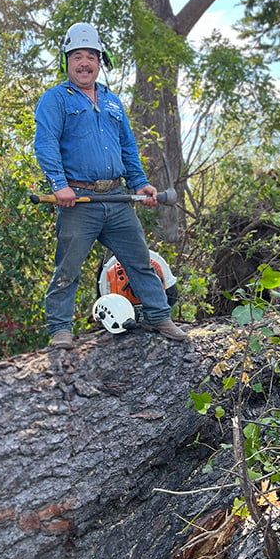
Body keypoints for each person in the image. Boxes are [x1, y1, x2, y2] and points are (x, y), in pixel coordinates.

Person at [34, 21, 189, 349]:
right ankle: (61, 330)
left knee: (138, 260)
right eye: (77, 56)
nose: (84, 62)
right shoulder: (55, 99)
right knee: (68, 268)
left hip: (118, 198)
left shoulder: (113, 102)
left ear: (101, 62)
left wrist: (142, 184)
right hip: (78, 199)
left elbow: (128, 148)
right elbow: (46, 143)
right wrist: (59, 185)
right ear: (67, 61)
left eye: (91, 55)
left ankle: (159, 316)